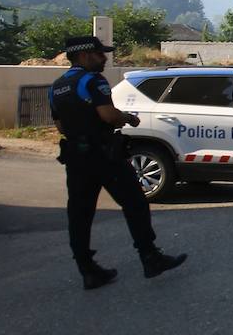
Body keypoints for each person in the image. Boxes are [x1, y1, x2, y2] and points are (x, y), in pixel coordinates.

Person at [49, 35, 187, 290]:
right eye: (100, 54)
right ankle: (150, 257)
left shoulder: (57, 86)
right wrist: (129, 118)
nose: (104, 59)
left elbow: (59, 125)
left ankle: (87, 270)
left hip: (76, 156)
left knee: (80, 214)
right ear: (84, 55)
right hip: (103, 155)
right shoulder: (93, 80)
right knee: (135, 203)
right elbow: (108, 115)